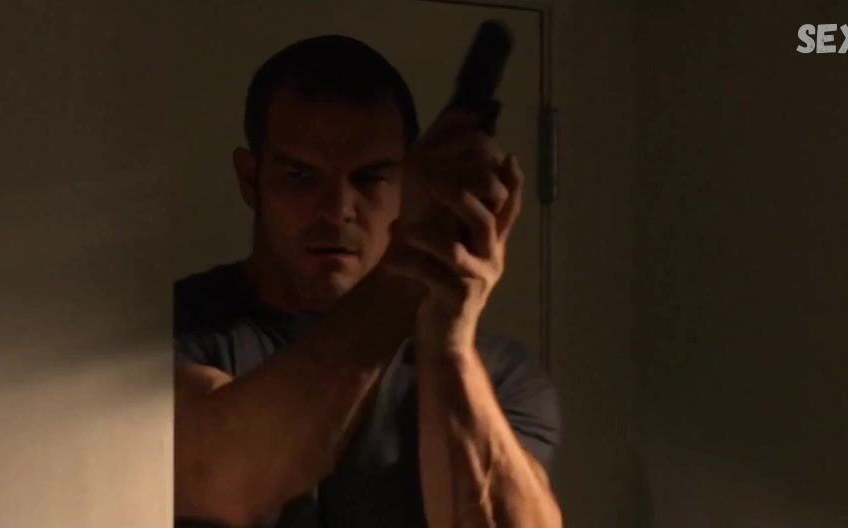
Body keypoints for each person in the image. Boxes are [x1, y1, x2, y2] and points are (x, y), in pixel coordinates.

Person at [173, 34, 561, 528]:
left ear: (408, 181)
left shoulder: (497, 373)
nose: (337, 210)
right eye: (301, 175)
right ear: (251, 179)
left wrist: (448, 340)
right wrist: (409, 273)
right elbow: (223, 481)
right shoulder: (166, 330)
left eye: (370, 177)